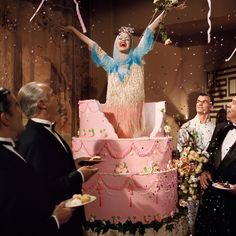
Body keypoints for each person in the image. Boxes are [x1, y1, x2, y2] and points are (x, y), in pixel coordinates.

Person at [61, 10, 167, 138]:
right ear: (116, 42)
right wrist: (73, 30)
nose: (123, 40)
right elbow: (93, 45)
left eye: (127, 39)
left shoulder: (136, 58)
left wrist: (167, 9)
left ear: (131, 43)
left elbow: (149, 30)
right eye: (120, 38)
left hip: (132, 114)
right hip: (114, 113)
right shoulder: (110, 64)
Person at [16, 82, 98, 235]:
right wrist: (80, 175)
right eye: (53, 94)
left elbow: (52, 167)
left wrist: (75, 163)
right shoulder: (34, 139)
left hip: (69, 219)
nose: (58, 99)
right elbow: (44, 187)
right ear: (42, 104)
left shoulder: (45, 132)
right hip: (59, 223)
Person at [0, 87, 74, 236]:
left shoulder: (10, 152)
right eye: (16, 106)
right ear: (5, 118)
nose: (22, 112)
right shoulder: (6, 161)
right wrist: (55, 220)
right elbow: (15, 223)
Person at [194, 96, 236, 235]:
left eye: (234, 103)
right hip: (211, 197)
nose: (229, 105)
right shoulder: (221, 127)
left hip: (231, 203)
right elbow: (210, 157)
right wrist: (205, 171)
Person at [176, 92, 215, 234]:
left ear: (211, 106)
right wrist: (193, 170)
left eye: (204, 101)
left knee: (209, 214)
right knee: (191, 214)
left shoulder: (215, 128)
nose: (200, 103)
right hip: (191, 178)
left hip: (210, 177)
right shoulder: (186, 127)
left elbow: (216, 154)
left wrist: (207, 170)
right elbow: (181, 153)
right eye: (198, 101)